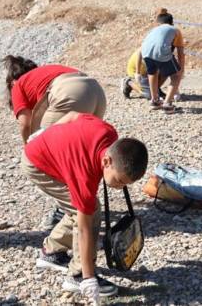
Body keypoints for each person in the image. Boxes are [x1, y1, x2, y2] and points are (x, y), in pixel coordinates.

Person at [22, 112, 148, 301]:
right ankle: (77, 276)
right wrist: (88, 277)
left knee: (82, 209)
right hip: (37, 163)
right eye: (120, 180)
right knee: (89, 212)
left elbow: (73, 115)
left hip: (50, 150)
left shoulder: (108, 134)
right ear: (107, 161)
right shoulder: (85, 176)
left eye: (126, 184)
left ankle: (52, 251)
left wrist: (46, 132)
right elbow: (84, 228)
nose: (120, 187)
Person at [4, 55, 107, 230]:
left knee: (48, 156)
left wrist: (29, 147)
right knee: (79, 152)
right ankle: (85, 198)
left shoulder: (18, 85)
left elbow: (25, 122)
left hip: (69, 94)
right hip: (96, 92)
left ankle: (71, 210)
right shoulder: (44, 73)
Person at [140, 9, 184, 113]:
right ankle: (167, 104)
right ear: (171, 23)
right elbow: (181, 53)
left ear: (158, 23)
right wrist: (181, 69)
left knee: (152, 73)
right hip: (161, 52)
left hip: (145, 52)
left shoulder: (153, 30)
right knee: (176, 76)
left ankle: (154, 100)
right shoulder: (175, 30)